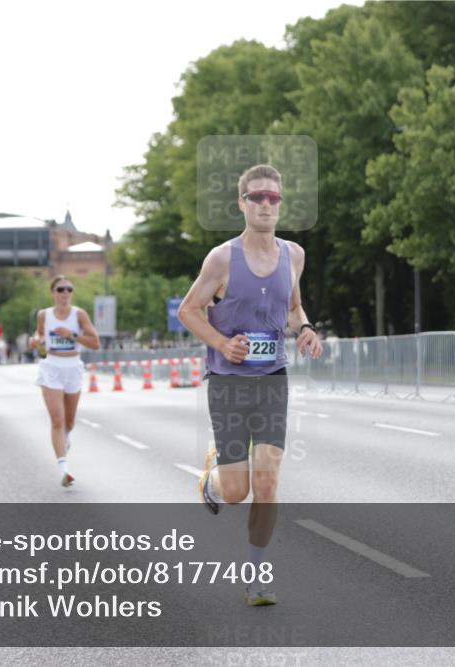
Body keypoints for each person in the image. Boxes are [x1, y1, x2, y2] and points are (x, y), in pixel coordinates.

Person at [178, 164, 323, 606]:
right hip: (228, 384)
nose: (265, 204)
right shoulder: (222, 258)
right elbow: (189, 310)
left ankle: (256, 576)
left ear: (280, 204)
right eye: (256, 197)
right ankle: (213, 481)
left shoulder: (294, 255)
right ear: (242, 203)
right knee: (236, 492)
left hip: (272, 380)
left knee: (267, 481)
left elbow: (293, 307)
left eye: (272, 198)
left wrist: (305, 328)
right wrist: (223, 343)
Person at [28, 275, 100, 488]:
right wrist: (36, 340)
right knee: (57, 420)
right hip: (51, 367)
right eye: (60, 289)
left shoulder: (79, 315)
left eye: (69, 289)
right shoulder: (44, 315)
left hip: (73, 367)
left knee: (69, 422)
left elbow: (95, 342)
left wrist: (72, 336)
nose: (65, 293)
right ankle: (64, 469)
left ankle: (66, 437)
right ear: (53, 293)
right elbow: (40, 333)